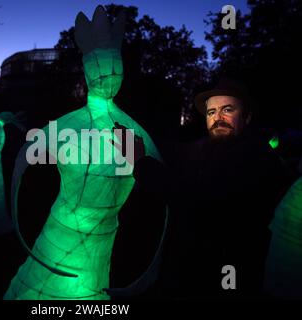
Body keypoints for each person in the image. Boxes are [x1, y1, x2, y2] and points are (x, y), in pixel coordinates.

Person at [112, 77, 295, 299]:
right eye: (211, 113)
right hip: (185, 271)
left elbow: (198, 200)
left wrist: (140, 163)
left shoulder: (260, 161)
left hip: (229, 272)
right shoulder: (207, 148)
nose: (218, 118)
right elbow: (173, 150)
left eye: (227, 110)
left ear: (246, 117)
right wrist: (128, 129)